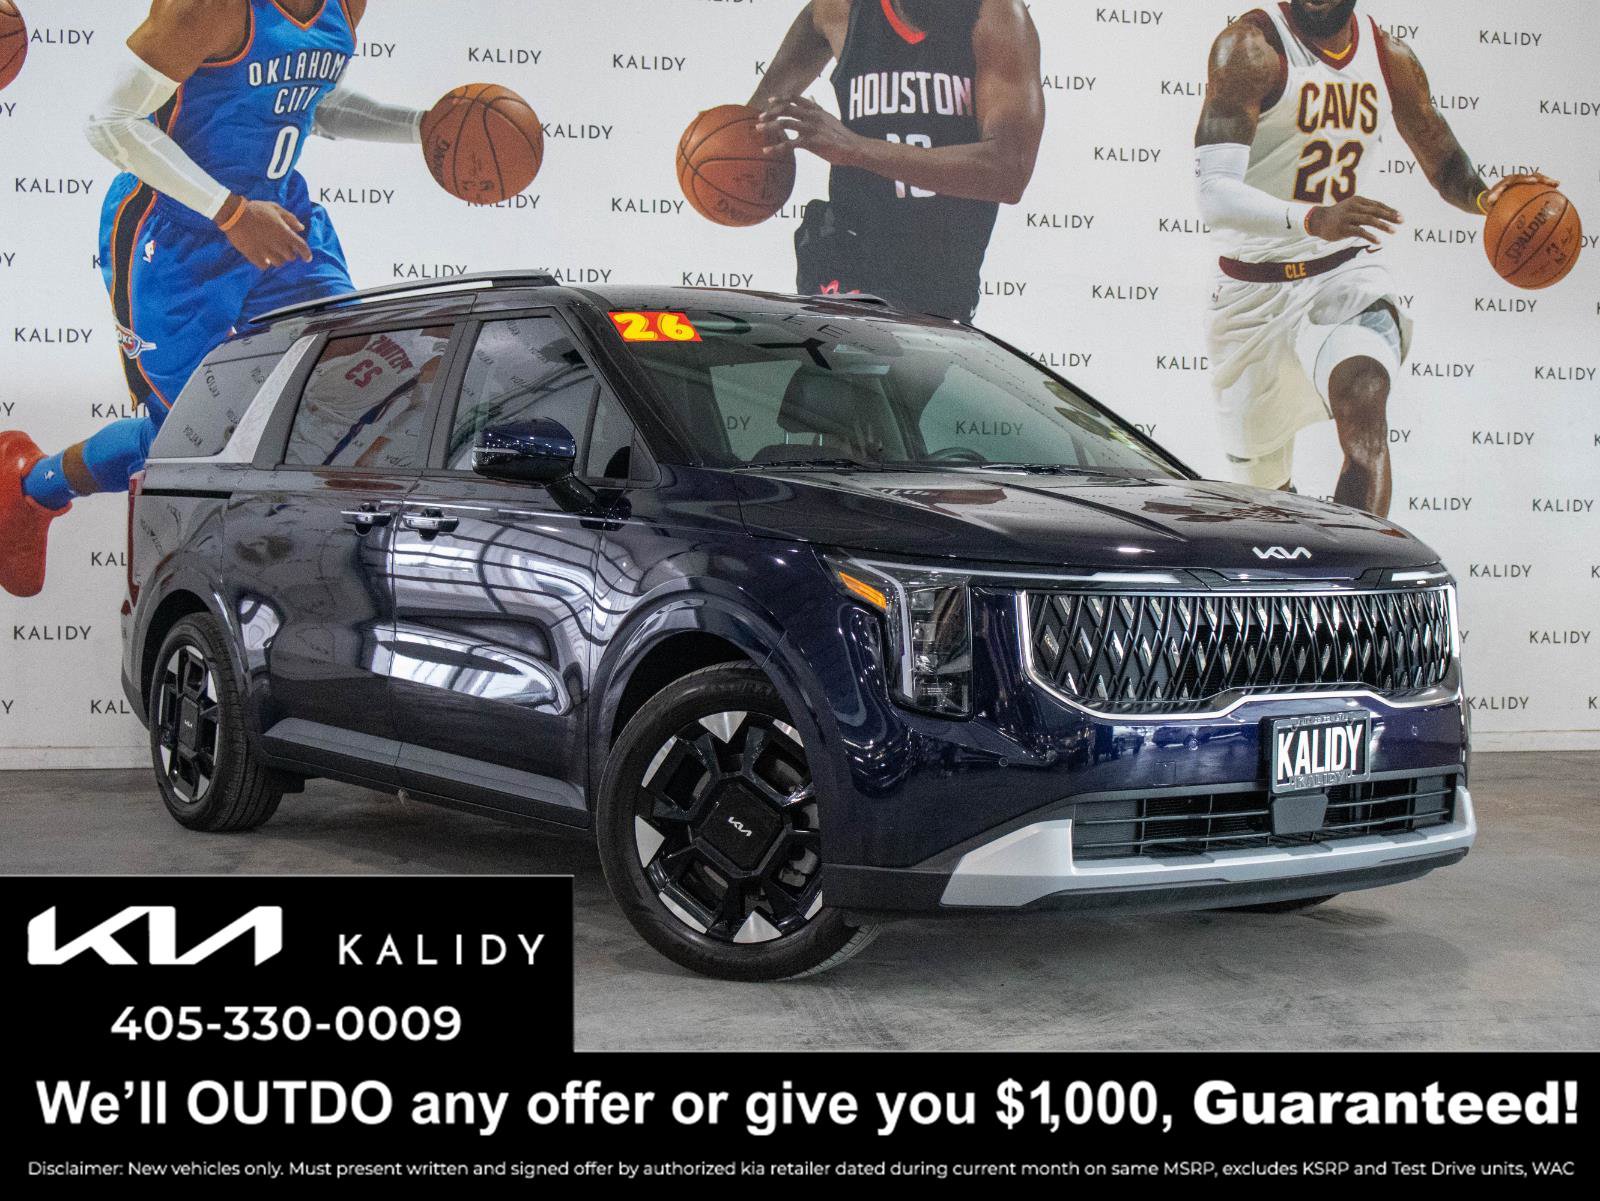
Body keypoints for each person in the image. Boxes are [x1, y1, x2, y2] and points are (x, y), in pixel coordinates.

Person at [0, 0, 427, 597]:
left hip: (280, 219)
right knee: (186, 440)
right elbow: (112, 122)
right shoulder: (209, 7)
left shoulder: (346, 5)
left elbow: (312, 102)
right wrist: (229, 213)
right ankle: (30, 487)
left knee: (360, 390)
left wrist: (421, 126)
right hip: (176, 232)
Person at [1194, 0, 1557, 515]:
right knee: (1263, 499)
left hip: (1342, 274)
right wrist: (1313, 218)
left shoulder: (1389, 58)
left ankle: (1356, 566)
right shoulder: (1250, 48)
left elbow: (1445, 163)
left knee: (1364, 405)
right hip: (1249, 294)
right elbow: (1214, 192)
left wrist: (1485, 199)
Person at [753, 0, 1044, 320]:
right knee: (846, 344)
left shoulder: (995, 14)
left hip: (941, 274)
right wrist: (745, 134)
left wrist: (856, 148)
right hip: (850, 253)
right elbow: (754, 117)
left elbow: (1008, 171)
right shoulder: (840, 9)